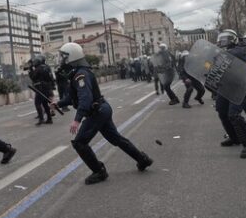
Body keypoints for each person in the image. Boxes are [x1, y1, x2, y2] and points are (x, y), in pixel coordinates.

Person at [52, 43, 153, 185]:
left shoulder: (81, 75)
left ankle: (99, 171)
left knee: (80, 142)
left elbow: (85, 100)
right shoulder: (77, 73)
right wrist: (58, 103)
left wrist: (77, 120)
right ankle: (143, 159)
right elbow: (72, 98)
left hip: (97, 112)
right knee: (116, 139)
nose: (61, 60)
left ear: (72, 57)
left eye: (63, 57)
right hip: (101, 110)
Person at [214, 29, 246, 159]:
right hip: (224, 86)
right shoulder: (221, 53)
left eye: (225, 39)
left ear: (233, 40)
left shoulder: (240, 51)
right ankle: (234, 137)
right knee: (222, 111)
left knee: (234, 115)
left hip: (237, 87)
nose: (222, 41)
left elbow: (241, 58)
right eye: (221, 39)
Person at [29, 55, 55, 125]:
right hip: (48, 87)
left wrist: (30, 70)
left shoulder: (38, 68)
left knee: (37, 103)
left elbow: (33, 77)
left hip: (41, 88)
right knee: (45, 103)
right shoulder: (47, 67)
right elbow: (51, 77)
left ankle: (41, 119)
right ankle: (49, 119)